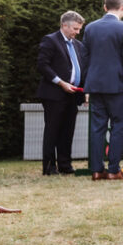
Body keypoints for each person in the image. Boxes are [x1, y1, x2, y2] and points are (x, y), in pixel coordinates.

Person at [84, 0, 123, 181]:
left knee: (97, 128)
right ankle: (114, 170)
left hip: (96, 85)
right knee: (118, 126)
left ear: (105, 7)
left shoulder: (90, 28)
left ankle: (97, 171)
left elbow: (85, 58)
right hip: (118, 86)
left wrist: (87, 83)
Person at [35, 11, 87, 176]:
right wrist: (61, 82)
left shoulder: (78, 45)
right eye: (75, 28)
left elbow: (82, 70)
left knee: (68, 131)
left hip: (73, 94)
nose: (77, 32)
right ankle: (49, 167)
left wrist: (86, 90)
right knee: (53, 130)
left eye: (79, 29)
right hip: (54, 94)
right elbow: (42, 65)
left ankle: (65, 165)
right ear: (64, 25)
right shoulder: (50, 40)